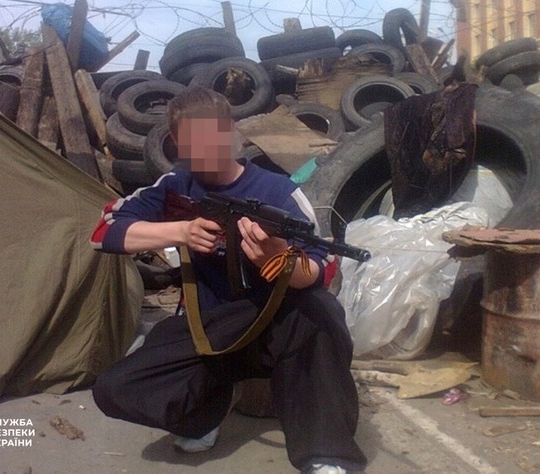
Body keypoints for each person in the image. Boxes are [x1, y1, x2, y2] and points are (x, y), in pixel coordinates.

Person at [90, 86, 367, 474]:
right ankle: (205, 413)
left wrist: (280, 261)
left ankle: (326, 452)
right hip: (207, 327)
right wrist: (181, 231)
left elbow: (324, 269)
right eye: (194, 142)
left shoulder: (278, 192)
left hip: (271, 328)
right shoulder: (174, 186)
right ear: (176, 143)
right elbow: (104, 232)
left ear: (230, 130)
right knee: (114, 389)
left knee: (320, 313)